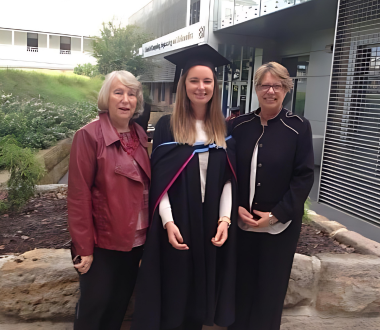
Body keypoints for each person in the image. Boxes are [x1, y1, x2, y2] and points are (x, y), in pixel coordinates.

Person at [131, 45, 238, 330]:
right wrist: (167, 222)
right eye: (194, 80)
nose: (201, 87)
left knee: (202, 292)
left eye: (207, 81)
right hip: (179, 219)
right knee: (176, 288)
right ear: (184, 84)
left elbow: (229, 178)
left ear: (215, 86)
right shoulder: (168, 126)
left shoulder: (225, 129)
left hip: (211, 220)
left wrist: (225, 220)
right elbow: (160, 179)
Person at [227, 62, 315, 330]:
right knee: (240, 290)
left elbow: (304, 177)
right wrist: (236, 206)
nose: (270, 91)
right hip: (242, 222)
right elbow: (229, 171)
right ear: (256, 89)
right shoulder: (239, 126)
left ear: (286, 89)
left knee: (270, 293)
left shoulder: (299, 127)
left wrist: (276, 215)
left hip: (280, 226)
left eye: (277, 85)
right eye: (264, 85)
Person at [67, 70, 151, 330]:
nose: (126, 99)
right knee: (94, 310)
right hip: (103, 243)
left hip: (136, 242)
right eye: (118, 92)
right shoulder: (89, 135)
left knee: (118, 308)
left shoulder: (139, 134)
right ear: (107, 97)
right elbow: (78, 195)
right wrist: (84, 248)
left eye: (132, 93)